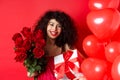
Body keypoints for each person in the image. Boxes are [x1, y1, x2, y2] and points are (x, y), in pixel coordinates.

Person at [29, 10, 86, 80]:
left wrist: (71, 52)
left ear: (63, 29)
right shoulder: (37, 47)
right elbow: (30, 74)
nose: (54, 29)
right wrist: (32, 69)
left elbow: (83, 63)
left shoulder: (65, 46)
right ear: (45, 25)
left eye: (59, 26)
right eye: (51, 24)